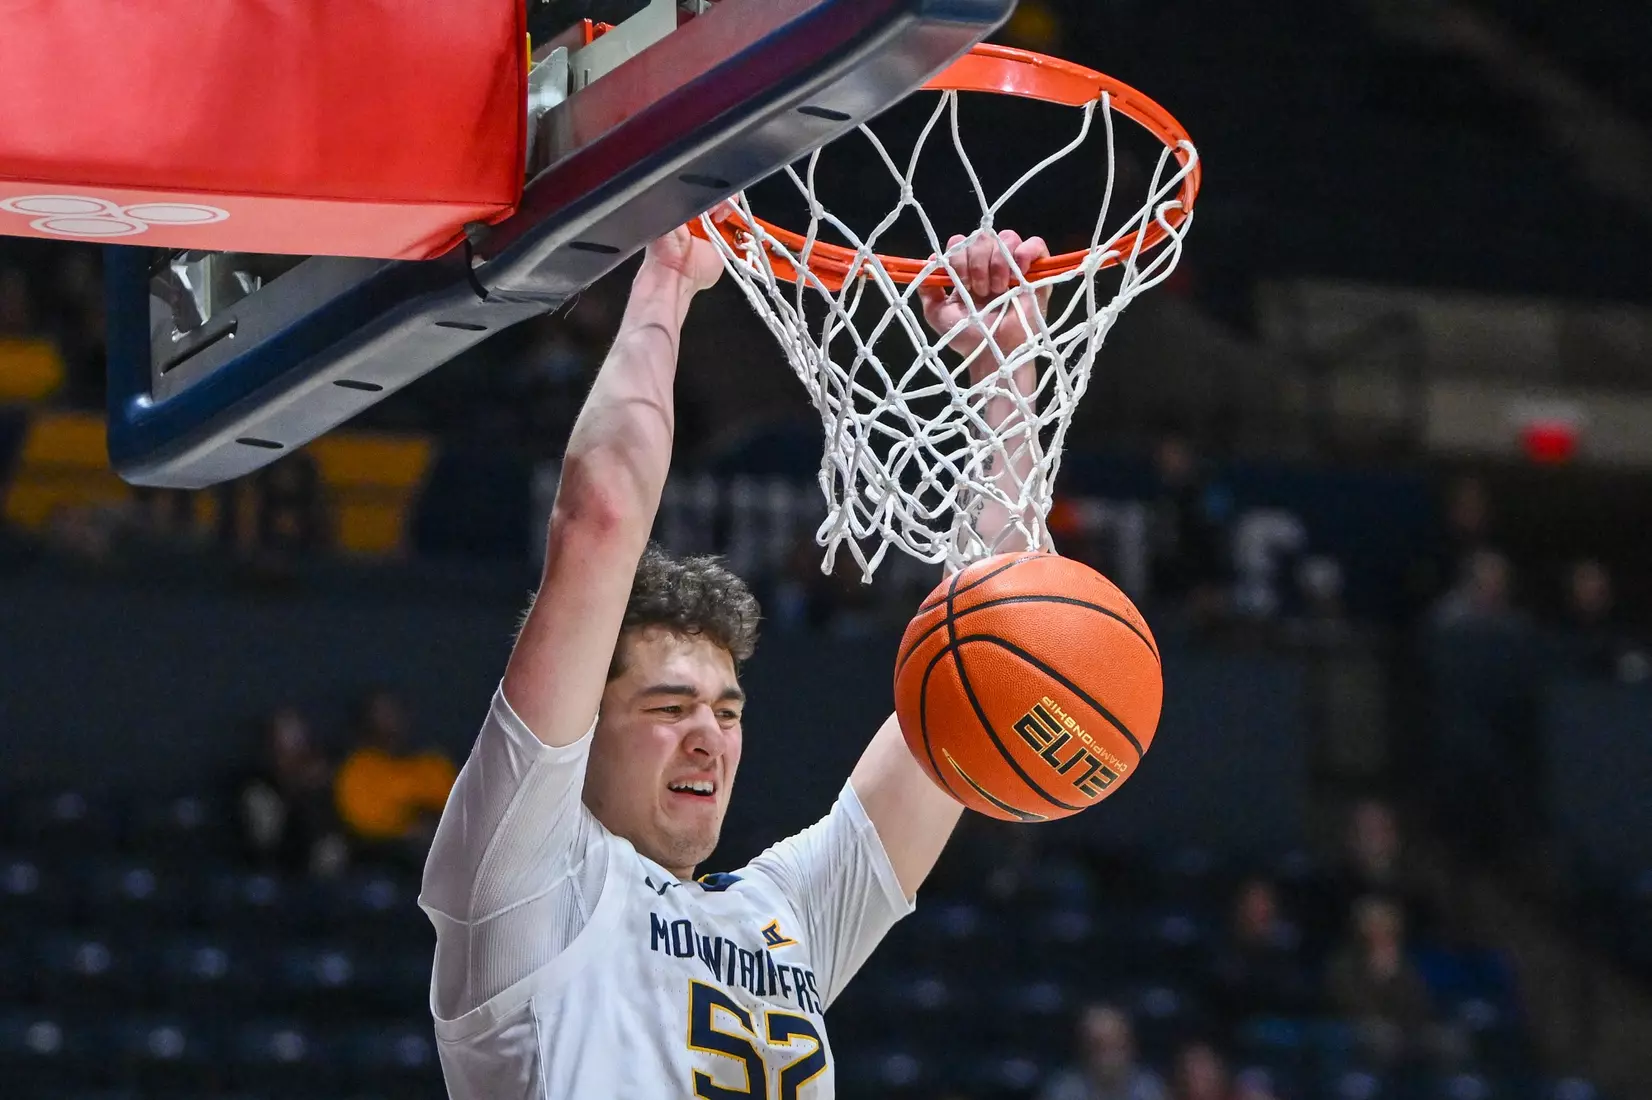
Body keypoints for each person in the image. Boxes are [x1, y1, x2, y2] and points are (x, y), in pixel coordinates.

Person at [418, 216, 1054, 1098]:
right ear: (583, 730)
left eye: (726, 711)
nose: (709, 738)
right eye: (670, 708)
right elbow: (600, 518)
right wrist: (667, 279)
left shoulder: (785, 912)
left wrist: (1005, 371)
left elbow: (980, 672)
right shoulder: (525, 882)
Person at [334, 688, 456, 866]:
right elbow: (363, 825)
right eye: (380, 715)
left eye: (393, 712)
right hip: (382, 861)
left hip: (443, 857)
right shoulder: (357, 769)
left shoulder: (432, 764)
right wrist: (408, 829)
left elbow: (462, 812)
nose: (389, 721)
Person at [1037, 1002, 1166, 1100]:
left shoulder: (1151, 1091)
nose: (1107, 1056)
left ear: (1130, 1047)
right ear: (1083, 1049)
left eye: (1114, 1045)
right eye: (1098, 1046)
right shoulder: (1060, 1092)